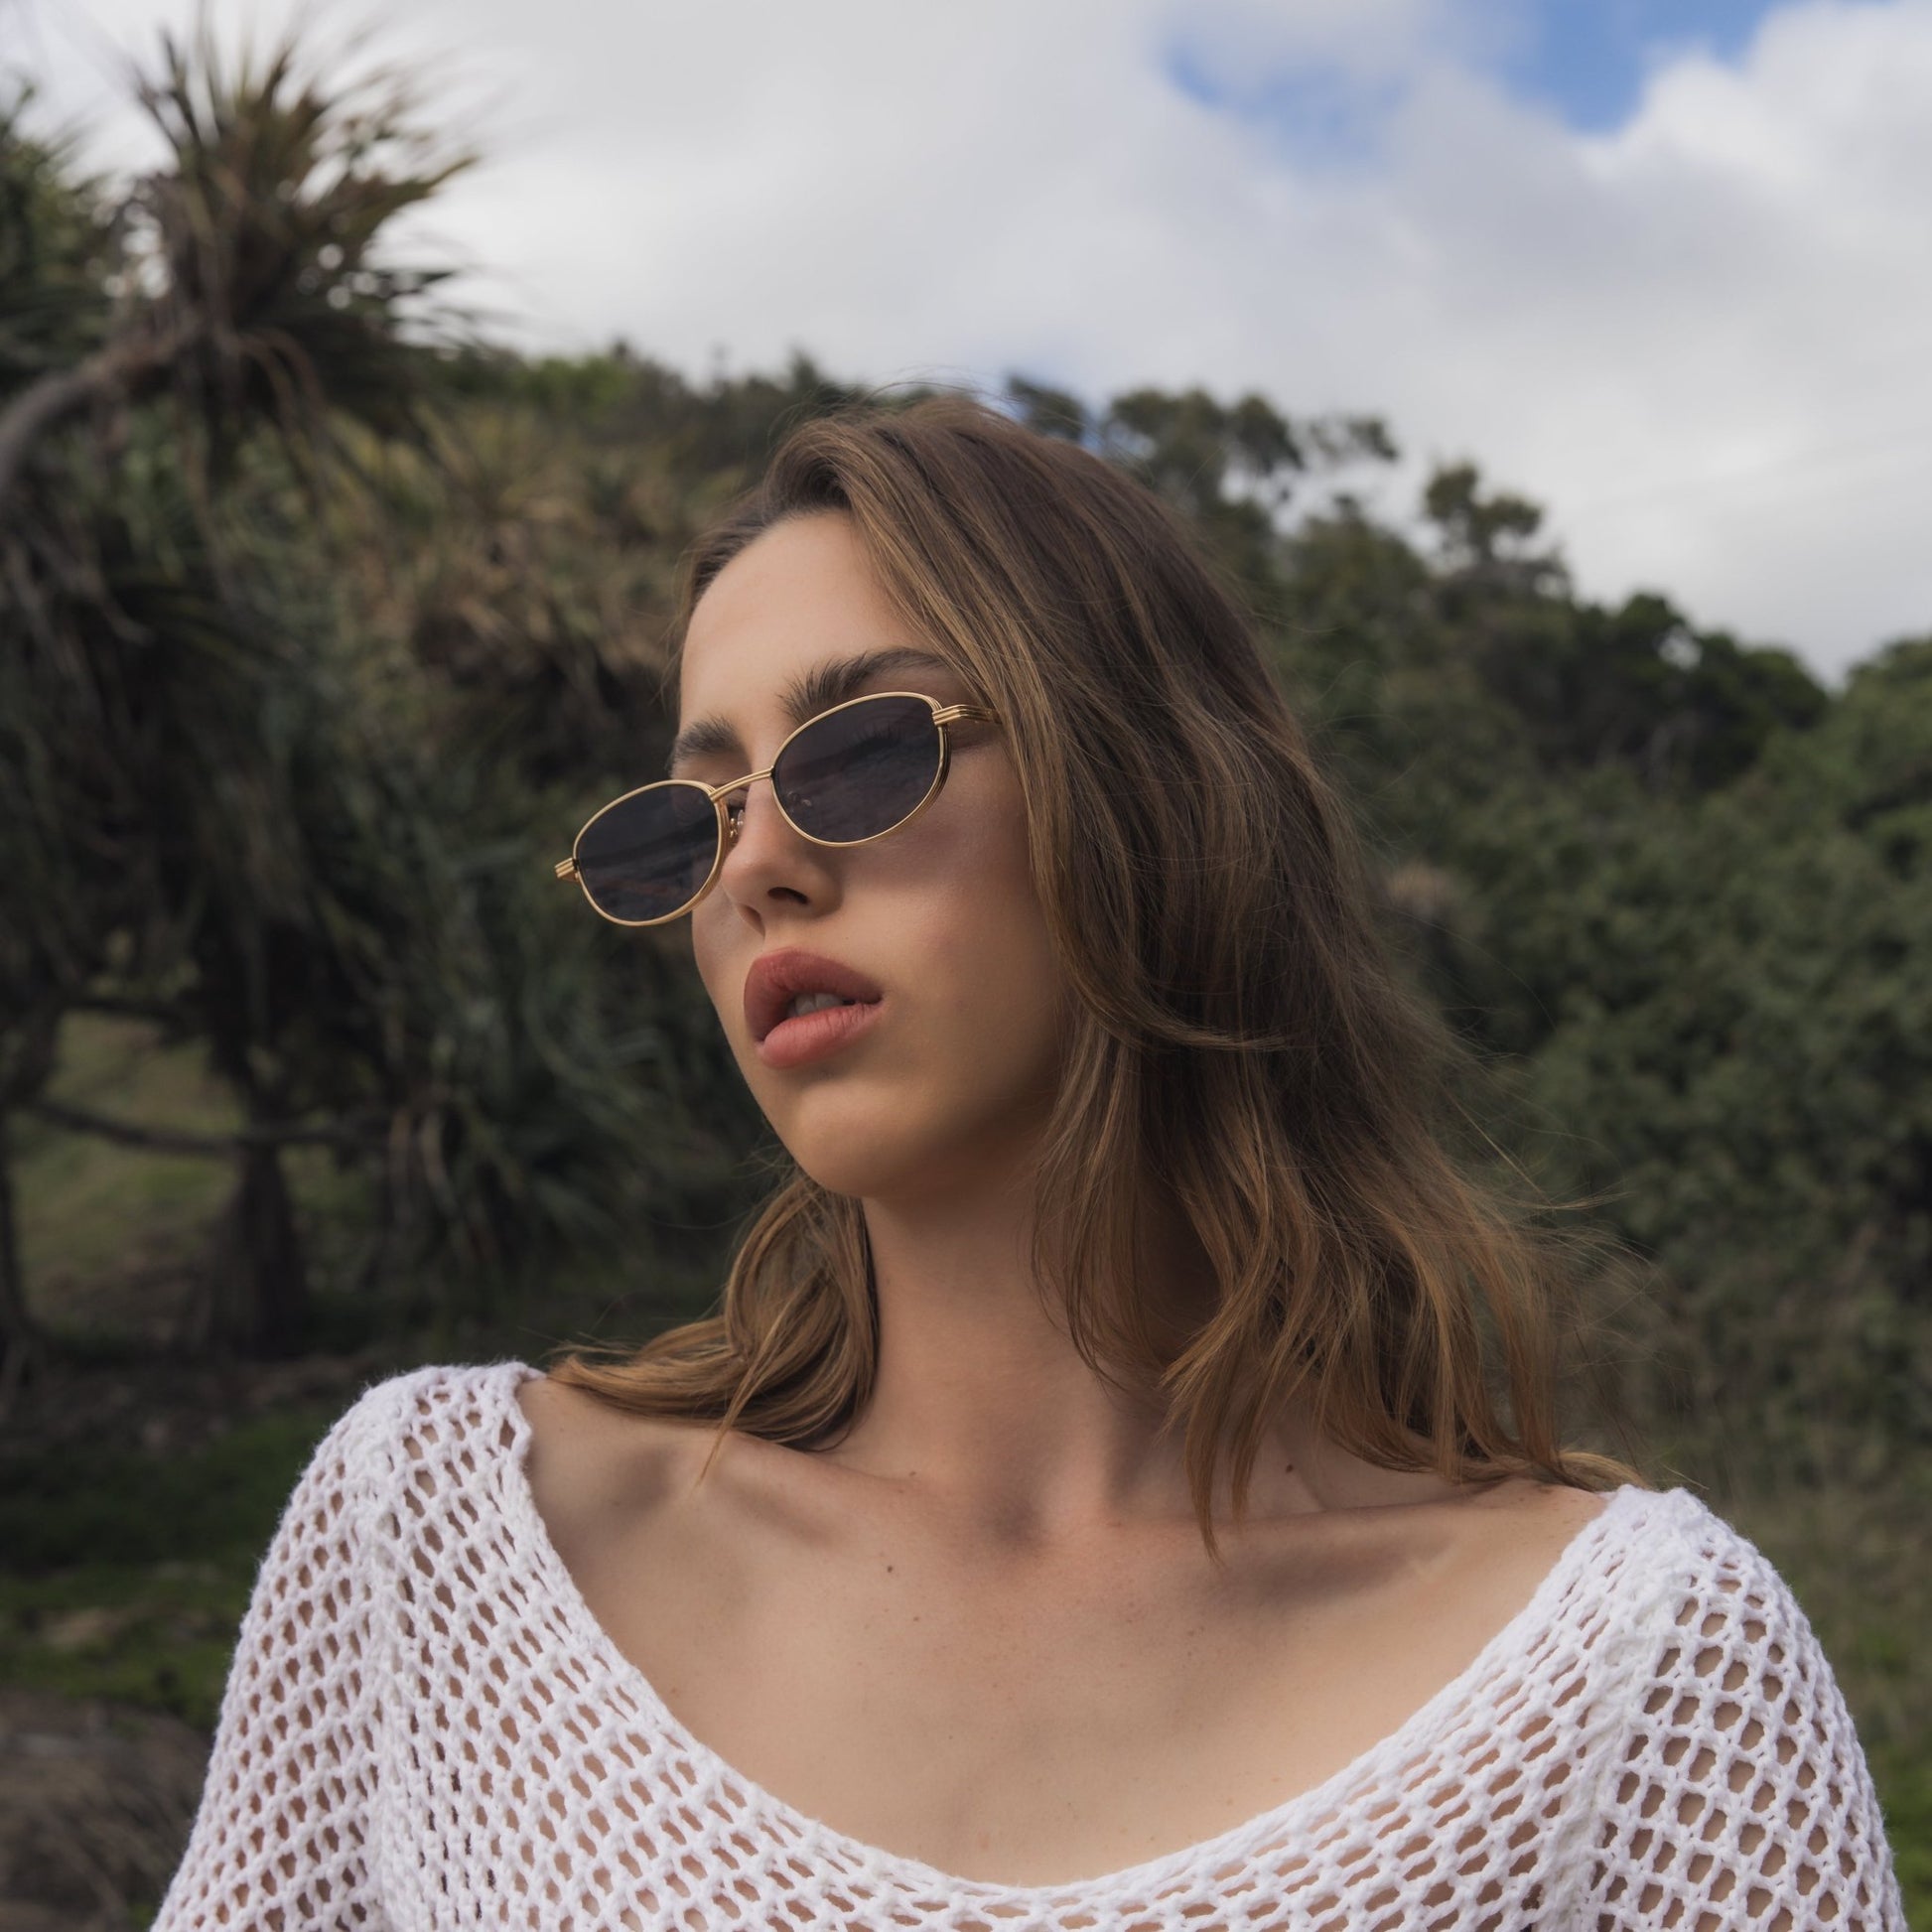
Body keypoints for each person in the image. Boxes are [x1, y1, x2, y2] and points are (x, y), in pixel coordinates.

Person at [152, 398, 1904, 1930]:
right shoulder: (449, 1539)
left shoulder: (1626, 1674)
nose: (755, 862)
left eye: (854, 753)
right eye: (692, 814)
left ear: (1150, 791)